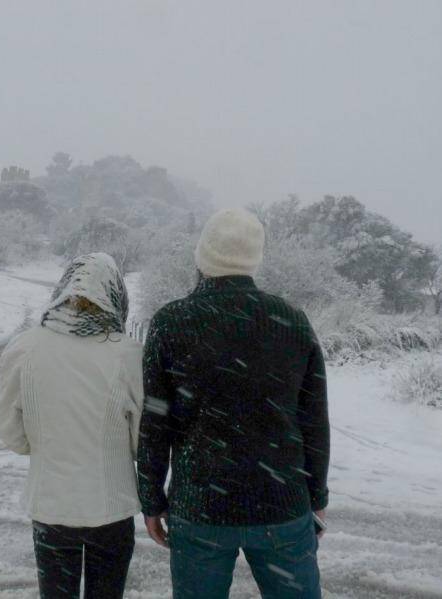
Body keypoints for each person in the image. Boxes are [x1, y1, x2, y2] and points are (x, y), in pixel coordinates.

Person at [137, 209, 330, 599]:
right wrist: (318, 496)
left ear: (202, 255)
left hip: (200, 506)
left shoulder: (171, 322)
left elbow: (156, 421)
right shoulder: (291, 320)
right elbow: (313, 420)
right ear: (255, 257)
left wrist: (152, 499)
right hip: (282, 504)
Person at [0, 252, 143, 599]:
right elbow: (141, 436)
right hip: (111, 509)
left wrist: (42, 446)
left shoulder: (25, 347)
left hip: (51, 507)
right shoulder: (129, 354)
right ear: (117, 294)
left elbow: (6, 425)